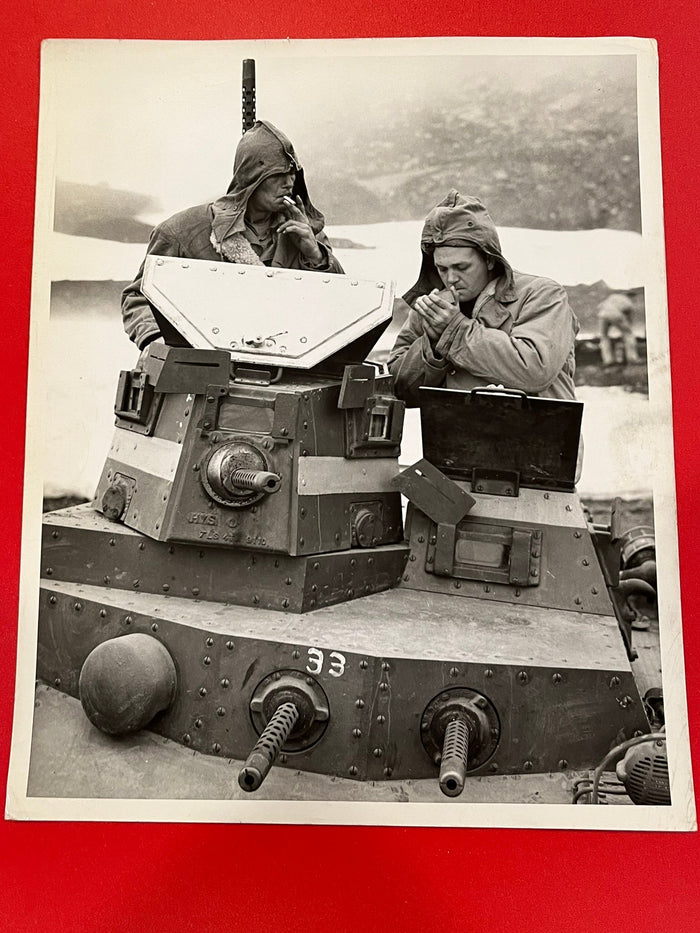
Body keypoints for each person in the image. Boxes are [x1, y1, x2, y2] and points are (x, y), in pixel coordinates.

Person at [122, 120, 344, 350]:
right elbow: (139, 298)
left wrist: (316, 255)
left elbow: (339, 308)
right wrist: (156, 343)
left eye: (291, 173)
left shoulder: (306, 233)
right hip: (204, 370)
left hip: (287, 371)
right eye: (277, 174)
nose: (288, 183)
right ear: (252, 177)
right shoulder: (183, 231)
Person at [388, 191, 578, 405]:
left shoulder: (542, 294)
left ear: (489, 259)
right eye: (442, 268)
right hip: (459, 438)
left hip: (537, 436)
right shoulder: (432, 307)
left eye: (462, 267)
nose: (451, 279)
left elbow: (535, 370)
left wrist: (455, 331)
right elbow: (399, 389)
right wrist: (431, 346)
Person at [597, 291, 639, 366]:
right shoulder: (628, 302)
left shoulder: (612, 296)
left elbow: (599, 306)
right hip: (615, 314)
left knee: (604, 337)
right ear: (631, 296)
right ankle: (632, 358)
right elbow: (629, 319)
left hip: (602, 314)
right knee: (628, 334)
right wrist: (627, 327)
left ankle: (608, 360)